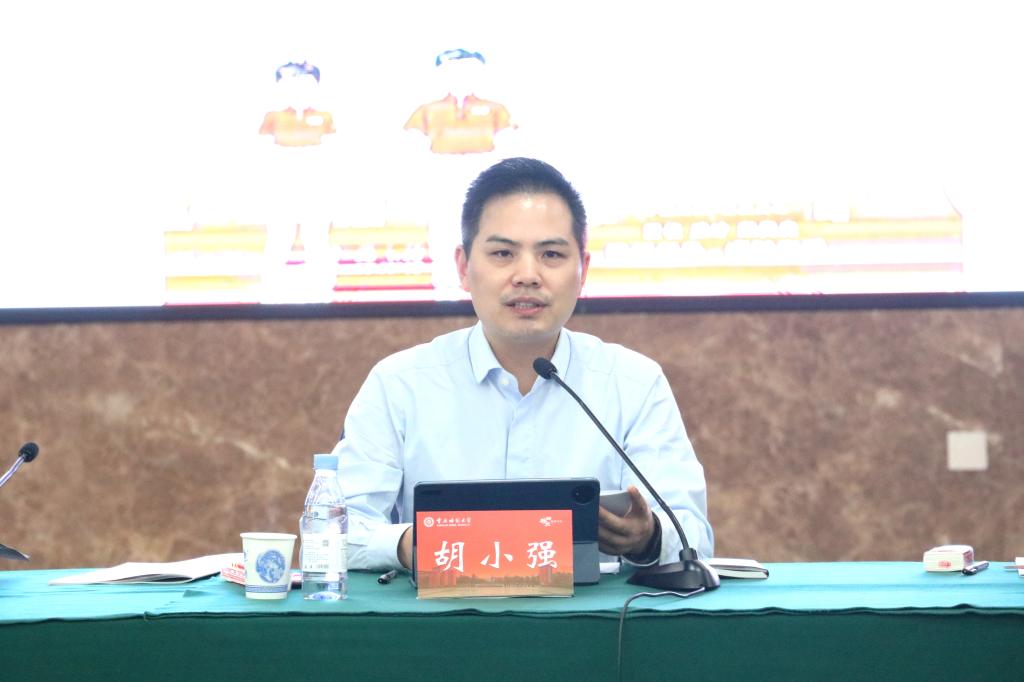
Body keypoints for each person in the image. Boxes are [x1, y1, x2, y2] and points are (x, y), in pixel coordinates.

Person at [333, 157, 713, 572]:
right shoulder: (399, 384)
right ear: (463, 267)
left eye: (551, 254)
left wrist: (649, 538)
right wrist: (412, 544)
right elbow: (335, 533)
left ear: (583, 270)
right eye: (503, 253)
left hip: (595, 615)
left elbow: (693, 535)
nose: (527, 275)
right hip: (440, 612)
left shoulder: (633, 383)